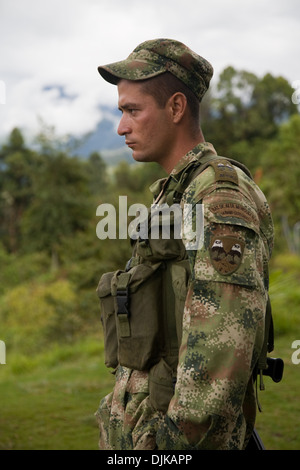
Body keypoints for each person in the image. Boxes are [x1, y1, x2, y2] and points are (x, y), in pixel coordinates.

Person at [95, 38, 274, 450]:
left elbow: (218, 362)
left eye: (132, 110)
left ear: (176, 108)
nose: (122, 127)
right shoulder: (176, 193)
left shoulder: (217, 197)